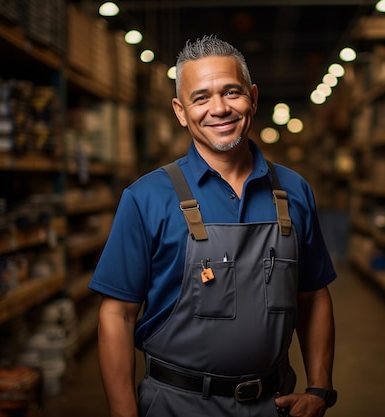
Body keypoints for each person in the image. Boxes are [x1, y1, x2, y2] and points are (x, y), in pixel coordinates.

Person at [89, 35, 337, 417]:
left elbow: (313, 294)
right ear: (180, 110)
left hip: (273, 405)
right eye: (201, 98)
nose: (219, 108)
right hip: (176, 405)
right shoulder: (146, 198)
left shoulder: (294, 191)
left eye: (231, 92)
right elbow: (116, 314)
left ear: (252, 97)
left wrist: (319, 388)